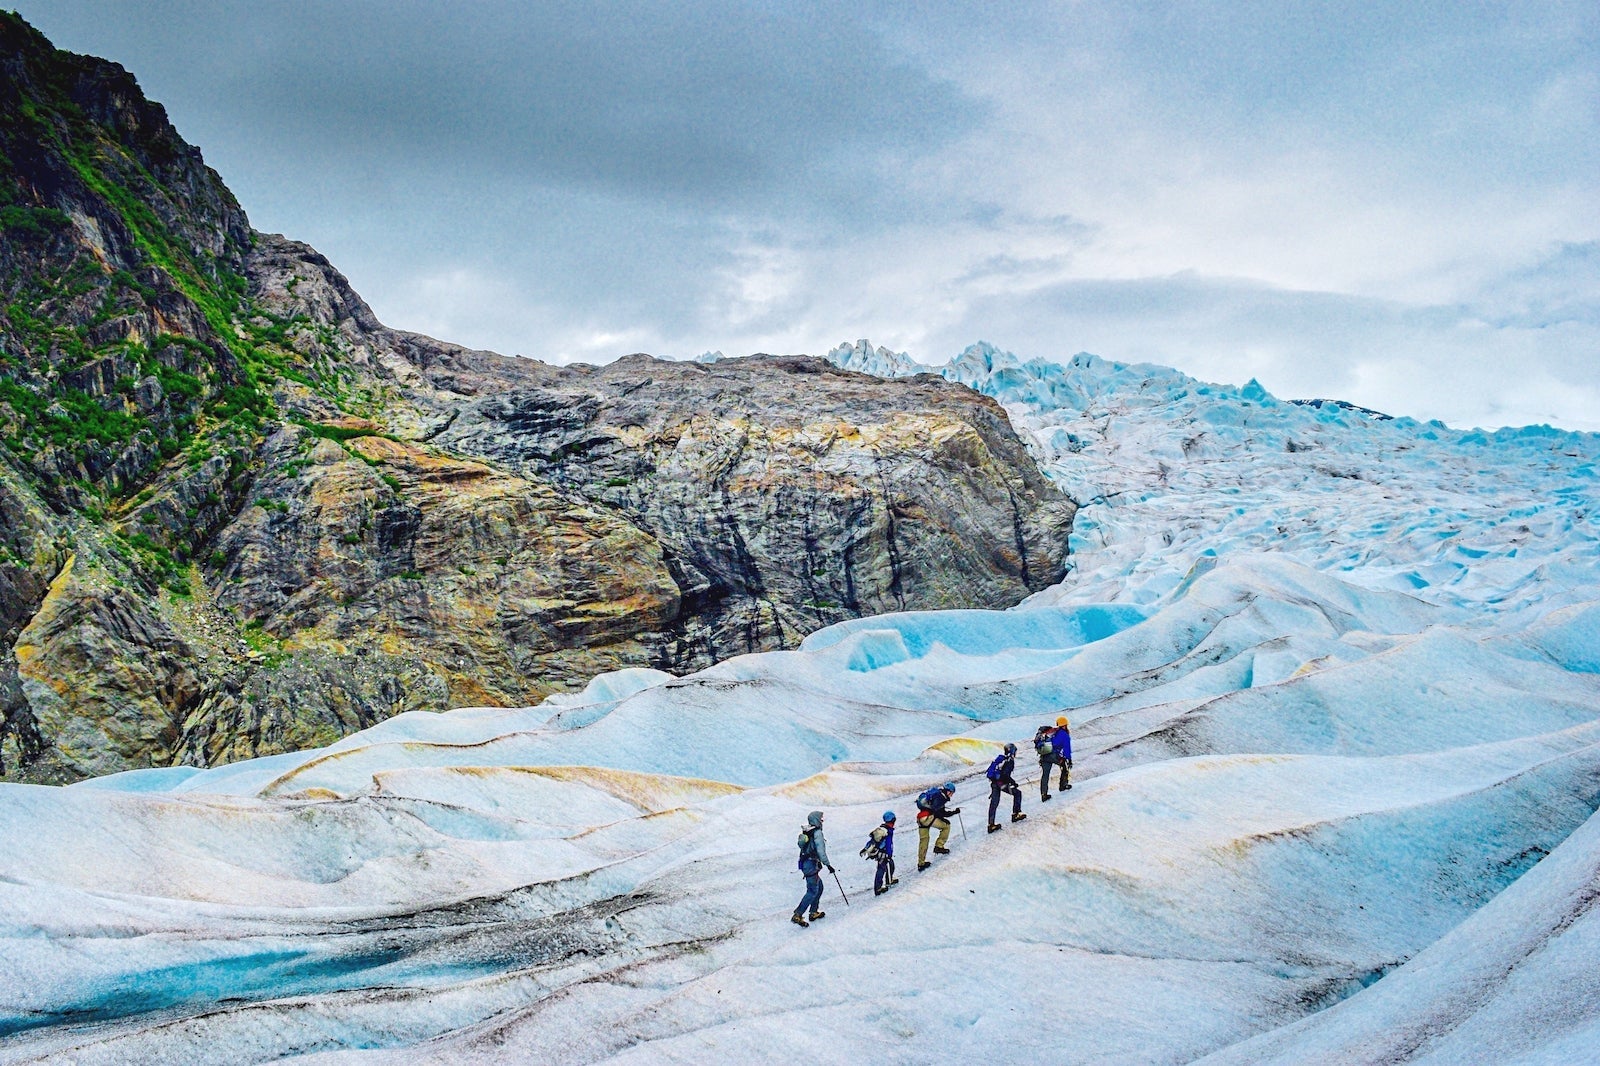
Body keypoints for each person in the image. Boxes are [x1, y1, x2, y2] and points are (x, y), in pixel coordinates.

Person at [792, 810, 832, 927]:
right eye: (821, 818)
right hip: (811, 865)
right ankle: (797, 915)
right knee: (812, 890)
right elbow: (820, 850)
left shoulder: (807, 831)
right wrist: (828, 864)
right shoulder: (817, 833)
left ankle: (813, 912)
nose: (822, 820)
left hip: (806, 863)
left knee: (819, 888)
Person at [915, 783, 959, 871]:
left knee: (924, 840)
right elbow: (940, 812)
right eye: (951, 793)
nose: (952, 795)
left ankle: (921, 863)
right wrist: (954, 813)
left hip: (921, 818)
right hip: (928, 818)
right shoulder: (941, 798)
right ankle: (939, 846)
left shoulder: (936, 794)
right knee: (946, 826)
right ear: (948, 791)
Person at [986, 743, 1025, 831]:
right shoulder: (1009, 761)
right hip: (1001, 784)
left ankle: (991, 824)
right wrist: (1013, 783)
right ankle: (1016, 814)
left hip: (994, 783)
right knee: (1017, 793)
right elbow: (1005, 775)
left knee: (994, 803)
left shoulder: (1000, 759)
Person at [862, 810, 897, 895]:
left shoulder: (883, 829)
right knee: (882, 869)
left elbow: (872, 841)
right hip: (883, 853)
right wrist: (889, 854)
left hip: (881, 853)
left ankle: (888, 880)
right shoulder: (887, 831)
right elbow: (888, 844)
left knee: (890, 865)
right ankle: (878, 888)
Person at [1034, 724, 1057, 800]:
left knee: (1045, 775)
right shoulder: (1049, 735)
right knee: (1064, 766)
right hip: (1051, 756)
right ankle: (1064, 785)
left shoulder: (1039, 737)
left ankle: (1044, 794)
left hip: (1043, 758)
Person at [1051, 715, 1074, 792]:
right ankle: (1063, 785)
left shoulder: (1056, 733)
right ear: (1065, 725)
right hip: (1061, 755)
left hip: (1054, 754)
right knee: (1065, 769)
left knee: (1063, 769)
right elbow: (1067, 747)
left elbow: (1054, 743)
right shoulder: (1064, 734)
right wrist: (1069, 759)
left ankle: (1062, 785)